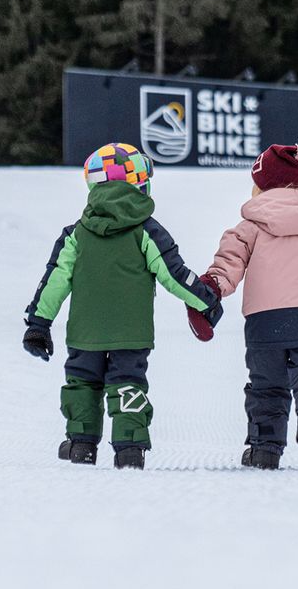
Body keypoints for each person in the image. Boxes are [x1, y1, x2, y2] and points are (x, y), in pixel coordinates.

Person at [22, 142, 222, 470]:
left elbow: (55, 280)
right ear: (138, 184)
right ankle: (130, 449)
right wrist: (206, 302)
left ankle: (80, 445)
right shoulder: (147, 231)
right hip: (132, 332)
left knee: (82, 382)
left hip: (85, 333)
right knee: (128, 382)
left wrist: (38, 324)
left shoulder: (77, 234)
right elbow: (175, 274)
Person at [198, 139, 298, 471]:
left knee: (267, 386)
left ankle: (264, 448)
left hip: (264, 321)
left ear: (260, 185)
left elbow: (226, 267)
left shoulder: (247, 228)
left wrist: (208, 291)